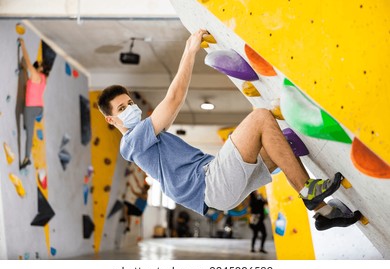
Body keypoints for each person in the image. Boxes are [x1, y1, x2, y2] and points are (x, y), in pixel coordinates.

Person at [97, 29, 359, 230]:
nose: (130, 108)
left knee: (283, 142)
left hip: (215, 184)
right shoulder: (131, 142)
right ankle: (308, 191)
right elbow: (174, 99)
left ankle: (324, 214)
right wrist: (190, 51)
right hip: (209, 184)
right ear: (111, 120)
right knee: (260, 118)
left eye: (130, 103)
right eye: (121, 109)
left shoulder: (148, 135)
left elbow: (173, 108)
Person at [18, 38, 49, 170]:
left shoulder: (35, 76)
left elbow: (28, 61)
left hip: (30, 108)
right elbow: (28, 73)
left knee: (29, 132)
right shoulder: (43, 79)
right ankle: (32, 120)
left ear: (37, 68)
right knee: (28, 125)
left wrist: (23, 45)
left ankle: (26, 158)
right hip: (39, 108)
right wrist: (25, 68)